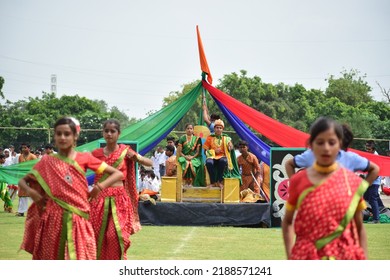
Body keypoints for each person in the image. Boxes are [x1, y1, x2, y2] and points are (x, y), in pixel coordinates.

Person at [18, 117, 124, 260]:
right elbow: (23, 182)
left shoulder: (85, 158)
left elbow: (117, 173)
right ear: (54, 136)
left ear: (75, 136)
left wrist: (99, 187)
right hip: (52, 220)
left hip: (78, 219)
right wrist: (32, 192)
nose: (62, 137)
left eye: (67, 134)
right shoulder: (47, 161)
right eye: (58, 133)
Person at [282, 117, 371, 260]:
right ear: (311, 145)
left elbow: (359, 228)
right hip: (307, 258)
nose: (326, 148)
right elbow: (287, 222)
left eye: (332, 142)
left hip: (344, 257)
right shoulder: (298, 181)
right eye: (320, 142)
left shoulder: (352, 183)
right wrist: (290, 257)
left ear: (340, 145)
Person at [90, 119, 153, 260]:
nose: (109, 134)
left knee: (115, 236)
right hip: (99, 199)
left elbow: (150, 163)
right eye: (106, 131)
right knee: (96, 235)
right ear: (103, 133)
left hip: (119, 199)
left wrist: (137, 158)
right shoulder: (96, 154)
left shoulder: (125, 152)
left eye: (113, 131)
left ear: (119, 134)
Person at [285, 123, 379, 185]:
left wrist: (360, 190)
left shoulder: (350, 158)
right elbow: (289, 163)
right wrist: (295, 187)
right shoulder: (312, 155)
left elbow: (375, 168)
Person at [203, 119, 234, 188]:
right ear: (214, 128)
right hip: (212, 157)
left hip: (222, 157)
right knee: (208, 162)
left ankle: (219, 181)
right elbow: (205, 151)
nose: (218, 129)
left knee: (223, 161)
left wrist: (230, 146)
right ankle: (213, 182)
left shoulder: (226, 138)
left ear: (222, 129)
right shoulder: (210, 138)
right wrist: (214, 151)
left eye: (220, 128)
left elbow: (231, 147)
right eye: (217, 127)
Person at [364, 140, 384, 223]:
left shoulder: (376, 157)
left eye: (369, 149)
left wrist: (371, 180)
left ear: (373, 149)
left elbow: (378, 172)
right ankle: (374, 214)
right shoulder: (370, 156)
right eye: (366, 148)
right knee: (365, 197)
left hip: (374, 182)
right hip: (369, 181)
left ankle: (376, 218)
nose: (367, 150)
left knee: (373, 199)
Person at [15, 143, 37, 217]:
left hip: (31, 178)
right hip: (22, 178)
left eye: (25, 147)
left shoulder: (33, 157)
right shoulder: (20, 156)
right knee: (22, 195)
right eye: (23, 148)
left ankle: (36, 211)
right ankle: (21, 212)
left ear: (29, 148)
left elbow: (36, 167)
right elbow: (19, 167)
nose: (23, 149)